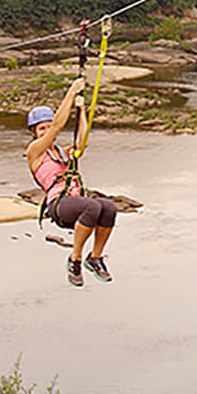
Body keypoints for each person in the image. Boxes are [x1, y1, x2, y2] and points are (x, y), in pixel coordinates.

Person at [26, 79, 118, 286]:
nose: (47, 131)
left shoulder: (61, 152)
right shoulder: (35, 151)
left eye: (47, 127)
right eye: (42, 129)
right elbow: (58, 125)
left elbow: (81, 143)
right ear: (34, 132)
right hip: (58, 204)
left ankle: (95, 257)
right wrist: (71, 91)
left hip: (75, 203)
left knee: (109, 207)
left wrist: (81, 111)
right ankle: (75, 259)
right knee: (93, 206)